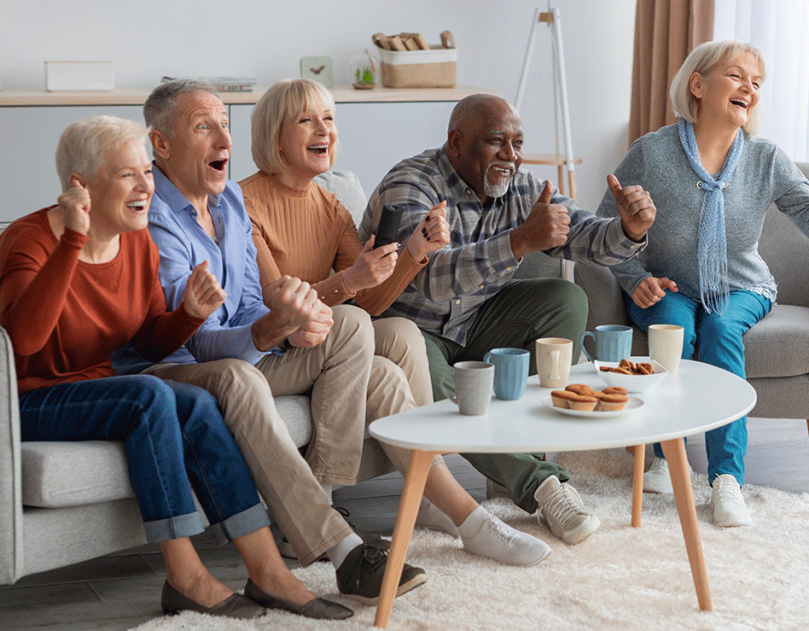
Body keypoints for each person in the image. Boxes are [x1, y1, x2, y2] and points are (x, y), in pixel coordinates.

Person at [0, 115, 352, 620]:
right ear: (79, 186)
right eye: (127, 175)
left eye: (146, 173)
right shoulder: (31, 241)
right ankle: (185, 576)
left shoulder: (135, 242)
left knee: (196, 401)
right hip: (20, 399)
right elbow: (21, 342)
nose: (145, 186)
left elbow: (149, 342)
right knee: (147, 396)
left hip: (94, 387)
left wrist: (188, 316)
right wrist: (71, 242)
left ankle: (268, 572)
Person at [108, 79, 432, 603]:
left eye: (224, 126)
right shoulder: (155, 222)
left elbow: (250, 303)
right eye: (202, 127)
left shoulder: (229, 199)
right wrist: (271, 329)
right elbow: (197, 340)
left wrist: (291, 323)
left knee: (349, 325)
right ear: (160, 144)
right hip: (171, 365)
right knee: (238, 372)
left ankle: (322, 492)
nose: (222, 140)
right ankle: (341, 546)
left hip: (243, 350)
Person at [239, 77, 552, 567]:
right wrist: (349, 280)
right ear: (275, 136)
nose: (325, 130)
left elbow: (374, 302)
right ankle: (319, 499)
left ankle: (446, 506)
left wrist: (414, 252)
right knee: (355, 327)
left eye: (330, 119)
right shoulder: (244, 205)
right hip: (272, 347)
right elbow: (277, 311)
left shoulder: (330, 204)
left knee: (401, 336)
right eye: (307, 120)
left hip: (330, 337)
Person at [596, 40, 809, 527]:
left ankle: (726, 479)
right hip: (670, 287)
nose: (749, 88)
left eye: (756, 83)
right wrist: (633, 277)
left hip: (742, 288)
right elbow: (604, 228)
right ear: (698, 84)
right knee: (673, 332)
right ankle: (667, 459)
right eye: (736, 76)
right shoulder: (652, 152)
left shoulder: (765, 158)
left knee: (721, 331)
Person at [360, 93, 657, 545]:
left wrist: (628, 228)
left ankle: (514, 461)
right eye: (496, 142)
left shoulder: (518, 186)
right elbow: (430, 278)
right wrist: (518, 242)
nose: (511, 156)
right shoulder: (411, 184)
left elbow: (585, 236)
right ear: (455, 142)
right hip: (410, 331)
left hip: (477, 323)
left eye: (517, 143)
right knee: (453, 396)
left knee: (566, 299)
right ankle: (543, 485)